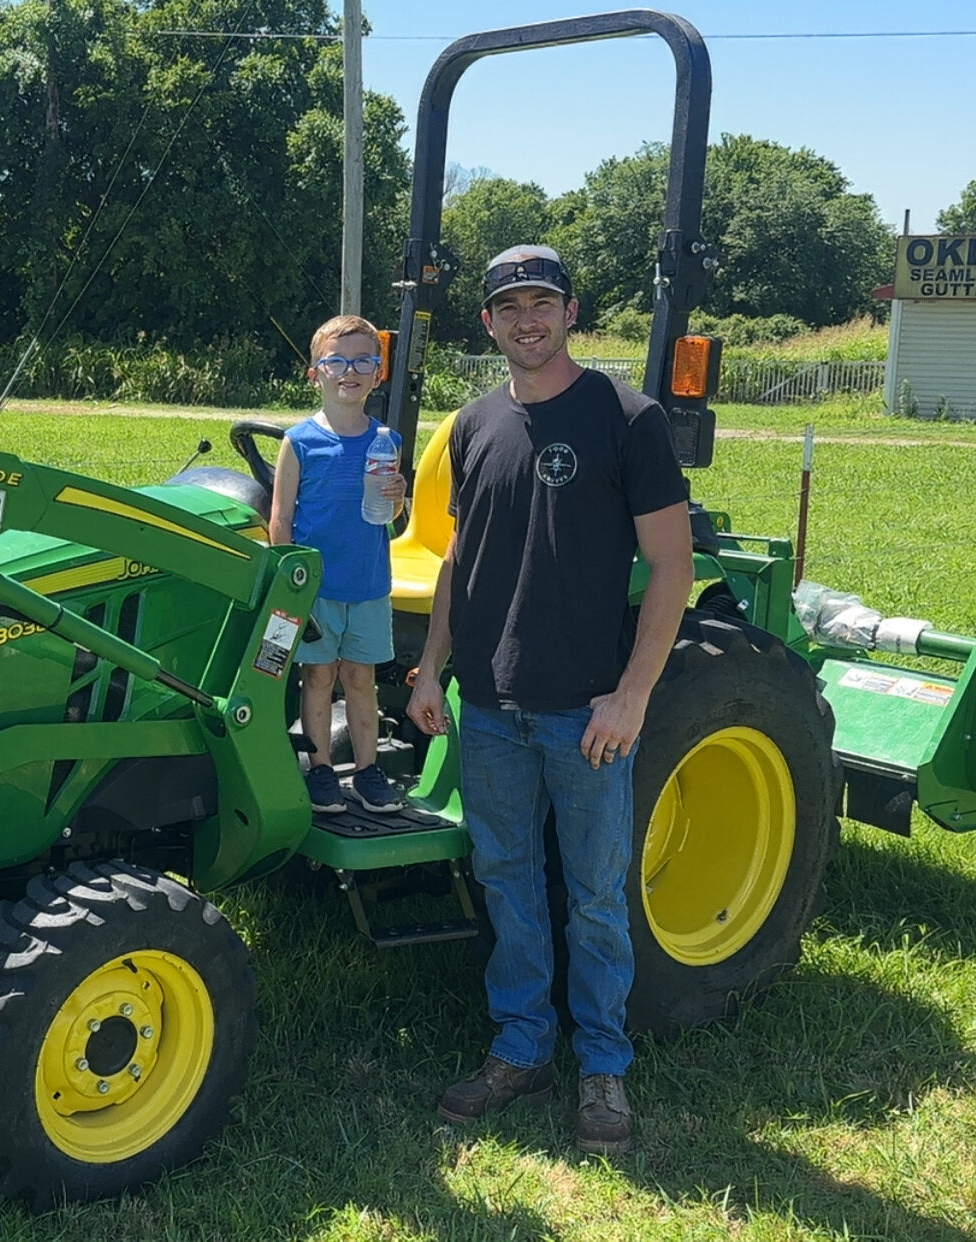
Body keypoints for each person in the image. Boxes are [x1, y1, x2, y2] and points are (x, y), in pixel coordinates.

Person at [406, 245, 693, 1156]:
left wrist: (632, 695)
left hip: (586, 711)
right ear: (487, 323)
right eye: (509, 307)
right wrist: (431, 667)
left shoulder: (627, 418)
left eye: (542, 303)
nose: (526, 320)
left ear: (571, 313)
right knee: (507, 881)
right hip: (490, 704)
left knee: (596, 895)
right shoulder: (473, 425)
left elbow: (672, 565)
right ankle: (522, 1047)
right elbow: (461, 556)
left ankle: (602, 1065)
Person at [270, 314, 408, 816]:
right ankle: (321, 769)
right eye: (337, 362)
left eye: (363, 361)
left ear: (378, 373)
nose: (350, 371)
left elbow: (388, 514)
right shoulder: (299, 442)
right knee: (318, 677)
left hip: (368, 585)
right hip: (318, 590)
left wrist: (399, 497)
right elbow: (281, 518)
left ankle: (369, 771)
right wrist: (290, 586)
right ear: (316, 374)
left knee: (361, 679)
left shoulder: (386, 442)